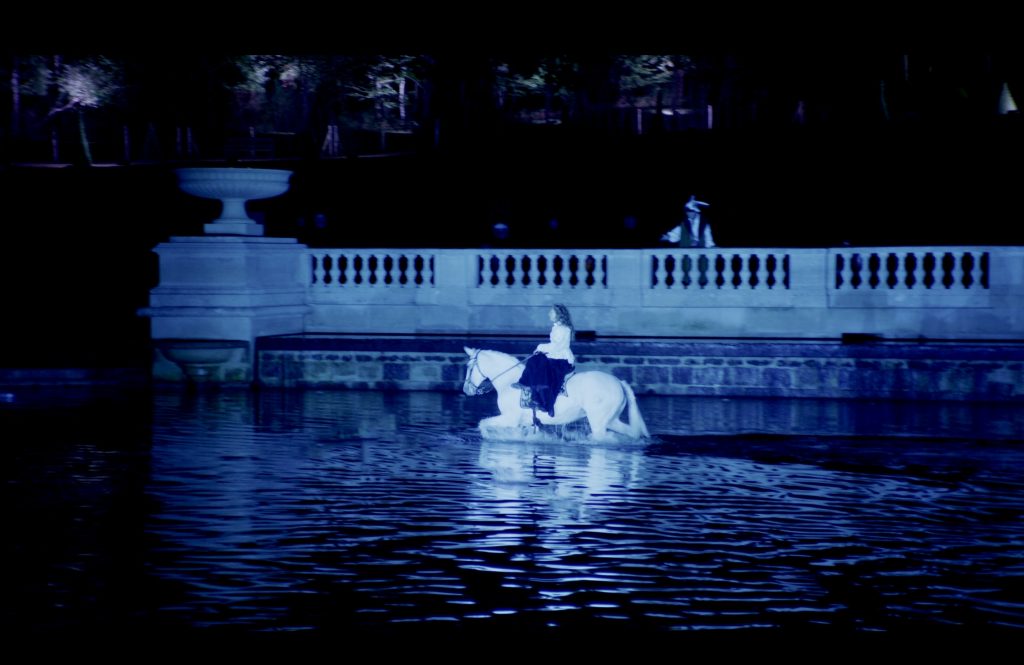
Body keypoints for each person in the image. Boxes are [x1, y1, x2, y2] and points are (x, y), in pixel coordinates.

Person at [513, 304, 576, 421]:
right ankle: (525, 383)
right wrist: (541, 350)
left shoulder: (563, 329)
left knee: (540, 366)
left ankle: (543, 401)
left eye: (551, 312)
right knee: (534, 360)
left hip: (562, 360)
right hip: (555, 356)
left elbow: (557, 347)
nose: (549, 314)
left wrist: (540, 347)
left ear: (558, 314)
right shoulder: (557, 327)